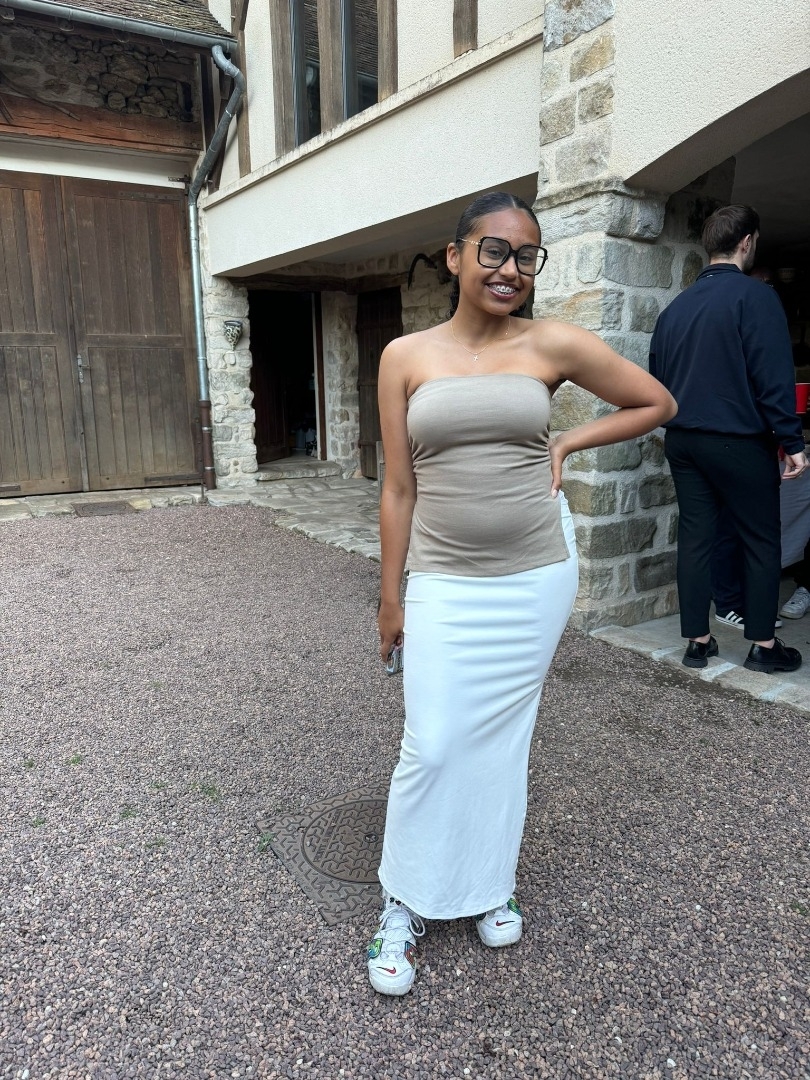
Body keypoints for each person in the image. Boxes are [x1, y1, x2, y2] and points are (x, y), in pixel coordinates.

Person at [368, 191, 676, 996]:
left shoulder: (551, 342)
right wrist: (390, 597)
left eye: (526, 256)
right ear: (455, 256)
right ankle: (404, 899)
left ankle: (488, 882)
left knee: (504, 741)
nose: (510, 269)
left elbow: (656, 402)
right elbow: (398, 488)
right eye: (494, 251)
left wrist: (568, 439)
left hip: (535, 577)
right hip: (443, 579)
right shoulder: (405, 355)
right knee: (433, 743)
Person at [649, 204, 808, 674]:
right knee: (760, 540)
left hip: (683, 440)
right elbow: (773, 376)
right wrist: (792, 441)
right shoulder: (757, 297)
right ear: (747, 242)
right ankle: (762, 645)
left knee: (696, 538)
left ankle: (697, 643)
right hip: (738, 440)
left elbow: (657, 379)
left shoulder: (675, 308)